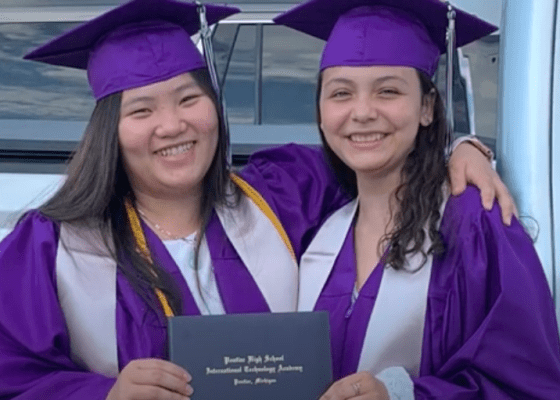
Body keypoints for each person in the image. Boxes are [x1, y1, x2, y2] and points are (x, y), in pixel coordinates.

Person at [0, 0, 516, 399]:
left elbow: (377, 155)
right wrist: (102, 393)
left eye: (188, 98)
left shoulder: (282, 194)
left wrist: (462, 149)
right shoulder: (52, 246)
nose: (172, 125)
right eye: (141, 111)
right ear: (109, 129)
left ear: (214, 108)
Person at [275, 0, 560, 399]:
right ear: (321, 112)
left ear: (427, 107)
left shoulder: (475, 223)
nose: (361, 112)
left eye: (388, 91)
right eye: (340, 93)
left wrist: (401, 395)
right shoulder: (317, 222)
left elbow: (527, 385)